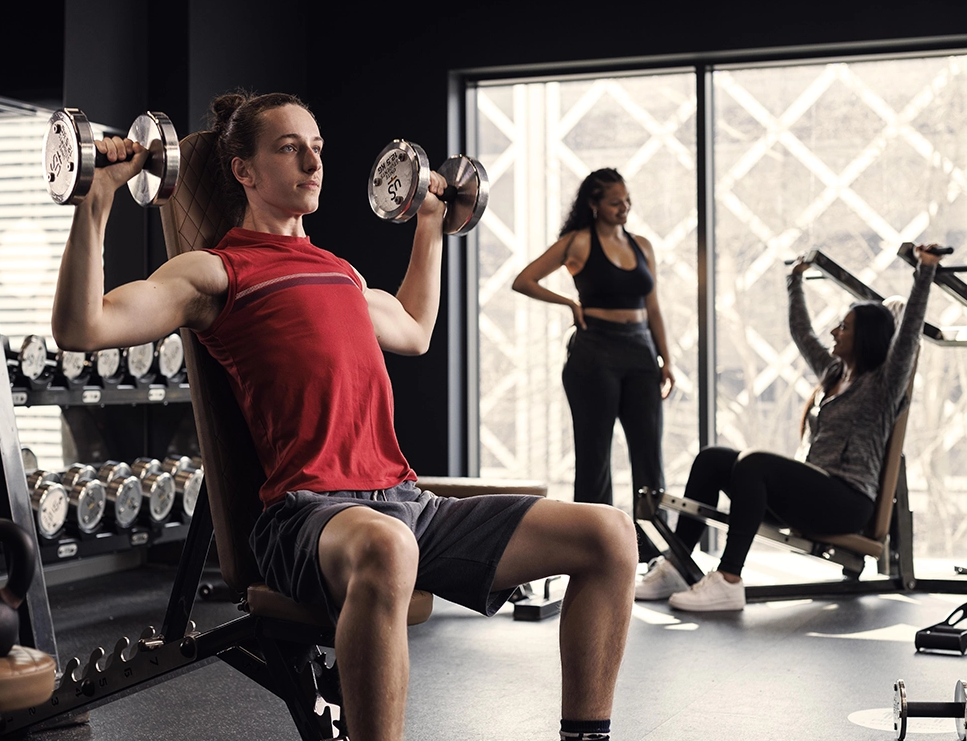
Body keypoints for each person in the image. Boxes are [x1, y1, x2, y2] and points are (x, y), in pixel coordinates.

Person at [51, 92, 637, 741]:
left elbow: (414, 329)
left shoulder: (342, 274)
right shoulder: (217, 270)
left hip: (406, 503)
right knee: (388, 547)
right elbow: (83, 327)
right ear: (245, 171)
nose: (313, 161)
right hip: (309, 515)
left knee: (608, 534)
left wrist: (429, 226)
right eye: (290, 148)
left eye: (318, 147)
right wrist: (95, 201)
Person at [638, 245, 946, 612]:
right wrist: (794, 280)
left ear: (864, 338)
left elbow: (909, 334)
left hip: (846, 501)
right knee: (712, 460)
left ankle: (729, 580)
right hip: (814, 494)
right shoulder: (834, 374)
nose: (834, 331)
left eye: (844, 327)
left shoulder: (883, 385)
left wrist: (924, 270)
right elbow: (802, 333)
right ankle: (677, 566)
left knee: (754, 464)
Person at [512, 169, 673, 561]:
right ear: (594, 204)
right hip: (594, 353)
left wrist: (666, 359)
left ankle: (653, 555)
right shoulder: (578, 243)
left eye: (627, 200)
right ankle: (594, 552)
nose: (624, 208)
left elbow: (653, 306)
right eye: (616, 202)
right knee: (594, 457)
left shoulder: (642, 246)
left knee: (649, 457)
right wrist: (569, 303)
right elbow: (524, 279)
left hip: (640, 353)